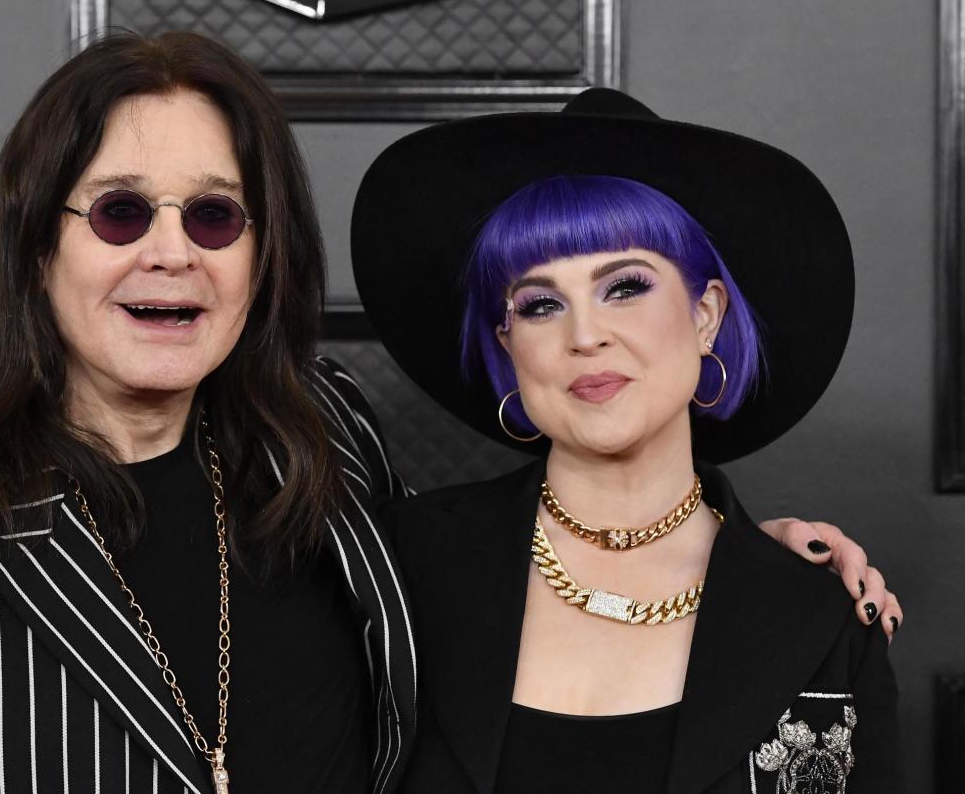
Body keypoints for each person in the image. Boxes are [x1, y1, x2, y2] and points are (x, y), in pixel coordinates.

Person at [0, 33, 892, 794]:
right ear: (37, 244)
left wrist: (752, 562)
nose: (171, 250)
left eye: (215, 216)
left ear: (260, 256)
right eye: (118, 213)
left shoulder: (319, 440)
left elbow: (560, 549)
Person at [353, 89, 901, 792]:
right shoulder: (392, 569)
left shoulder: (823, 619)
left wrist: (764, 569)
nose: (584, 335)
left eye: (625, 287)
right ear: (509, 345)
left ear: (706, 316)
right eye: (541, 304)